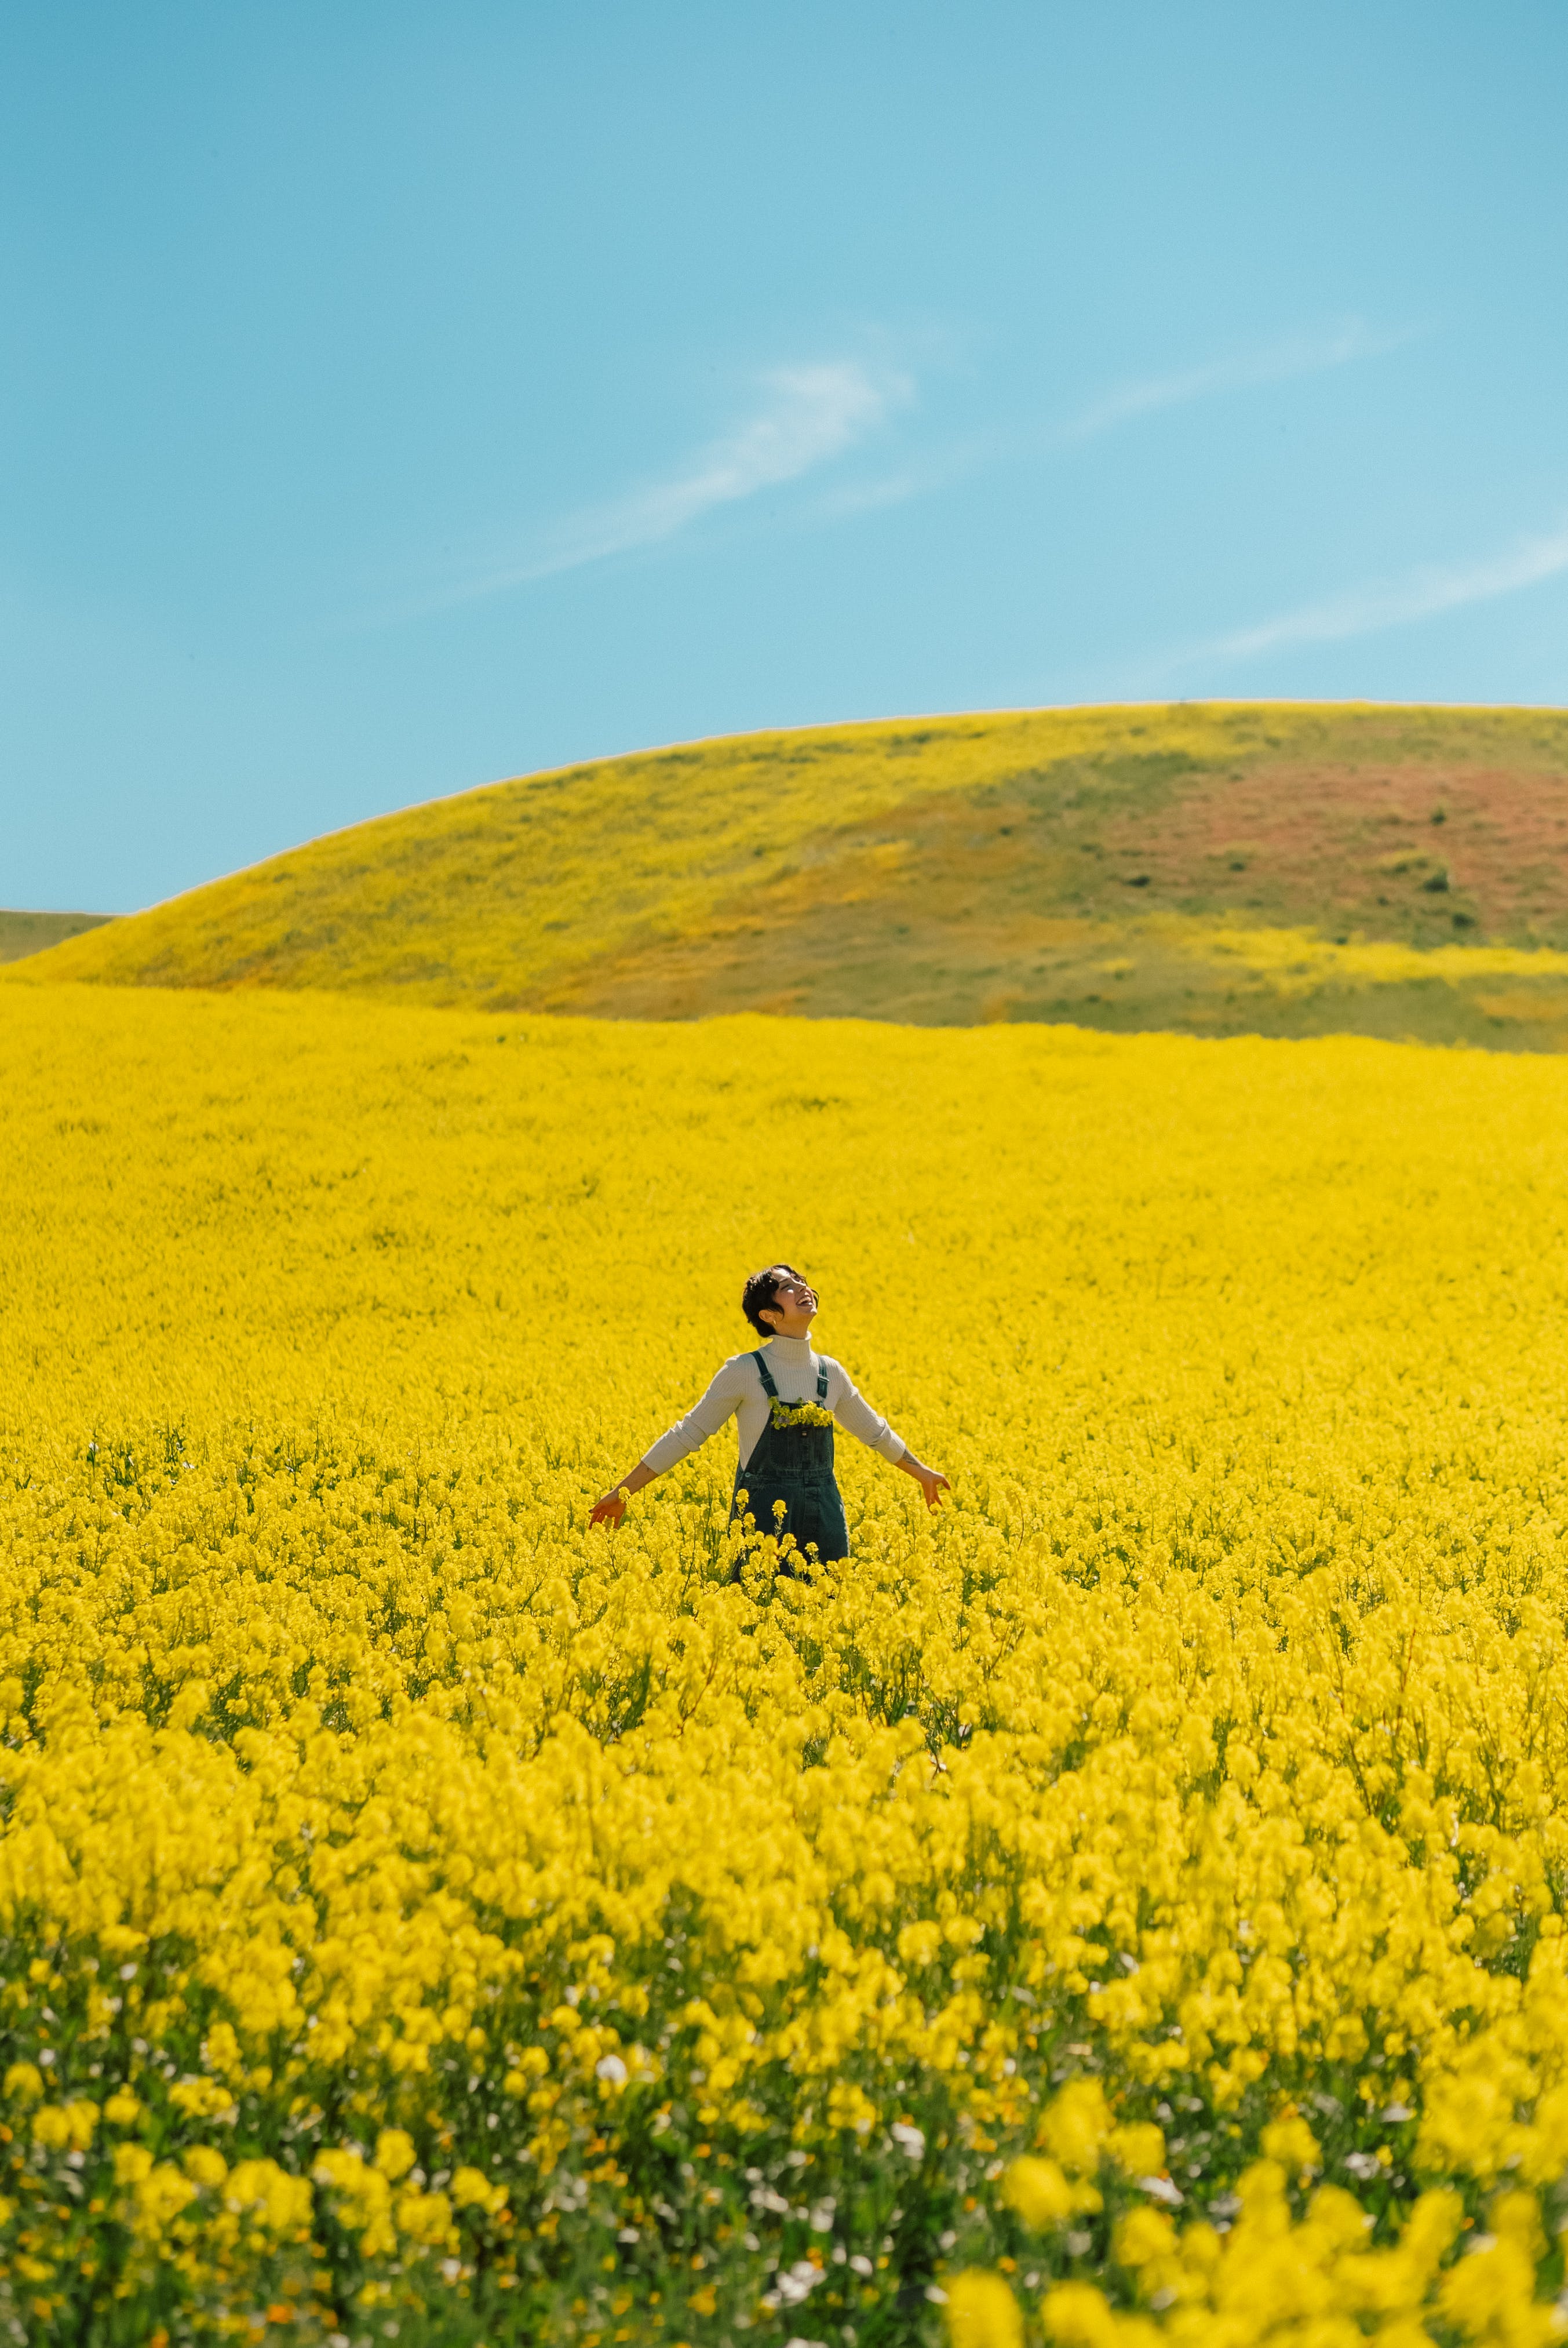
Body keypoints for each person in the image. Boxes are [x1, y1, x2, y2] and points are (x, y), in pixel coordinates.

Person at [589, 1263, 949, 1562]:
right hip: (760, 1518)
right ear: (768, 1314)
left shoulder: (831, 1373)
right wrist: (623, 1493)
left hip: (824, 1517)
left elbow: (876, 1433)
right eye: (787, 1287)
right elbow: (687, 1435)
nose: (802, 1287)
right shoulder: (744, 1371)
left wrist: (922, 1474)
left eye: (802, 1282)